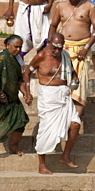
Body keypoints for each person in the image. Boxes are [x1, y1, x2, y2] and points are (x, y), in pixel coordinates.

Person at [23, 33, 81, 175]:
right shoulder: (41, 56)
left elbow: (72, 71)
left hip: (65, 94)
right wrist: (27, 93)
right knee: (46, 130)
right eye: (54, 48)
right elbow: (26, 73)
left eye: (59, 48)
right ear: (49, 43)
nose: (56, 51)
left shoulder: (65, 55)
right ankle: (42, 165)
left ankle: (65, 156)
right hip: (48, 97)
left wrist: (74, 79)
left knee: (75, 124)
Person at [48, 0, 95, 115]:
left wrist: (86, 48)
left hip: (81, 52)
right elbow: (53, 26)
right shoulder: (60, 6)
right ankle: (63, 118)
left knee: (79, 89)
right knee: (62, 85)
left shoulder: (89, 6)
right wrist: (50, 46)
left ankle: (76, 120)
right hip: (63, 50)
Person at [0, 35, 31, 175]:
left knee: (21, 120)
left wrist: (26, 93)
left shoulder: (16, 60)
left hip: (11, 98)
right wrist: (1, 95)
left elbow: (19, 81)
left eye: (20, 47)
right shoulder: (1, 59)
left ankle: (13, 146)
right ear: (8, 45)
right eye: (16, 47)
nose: (18, 49)